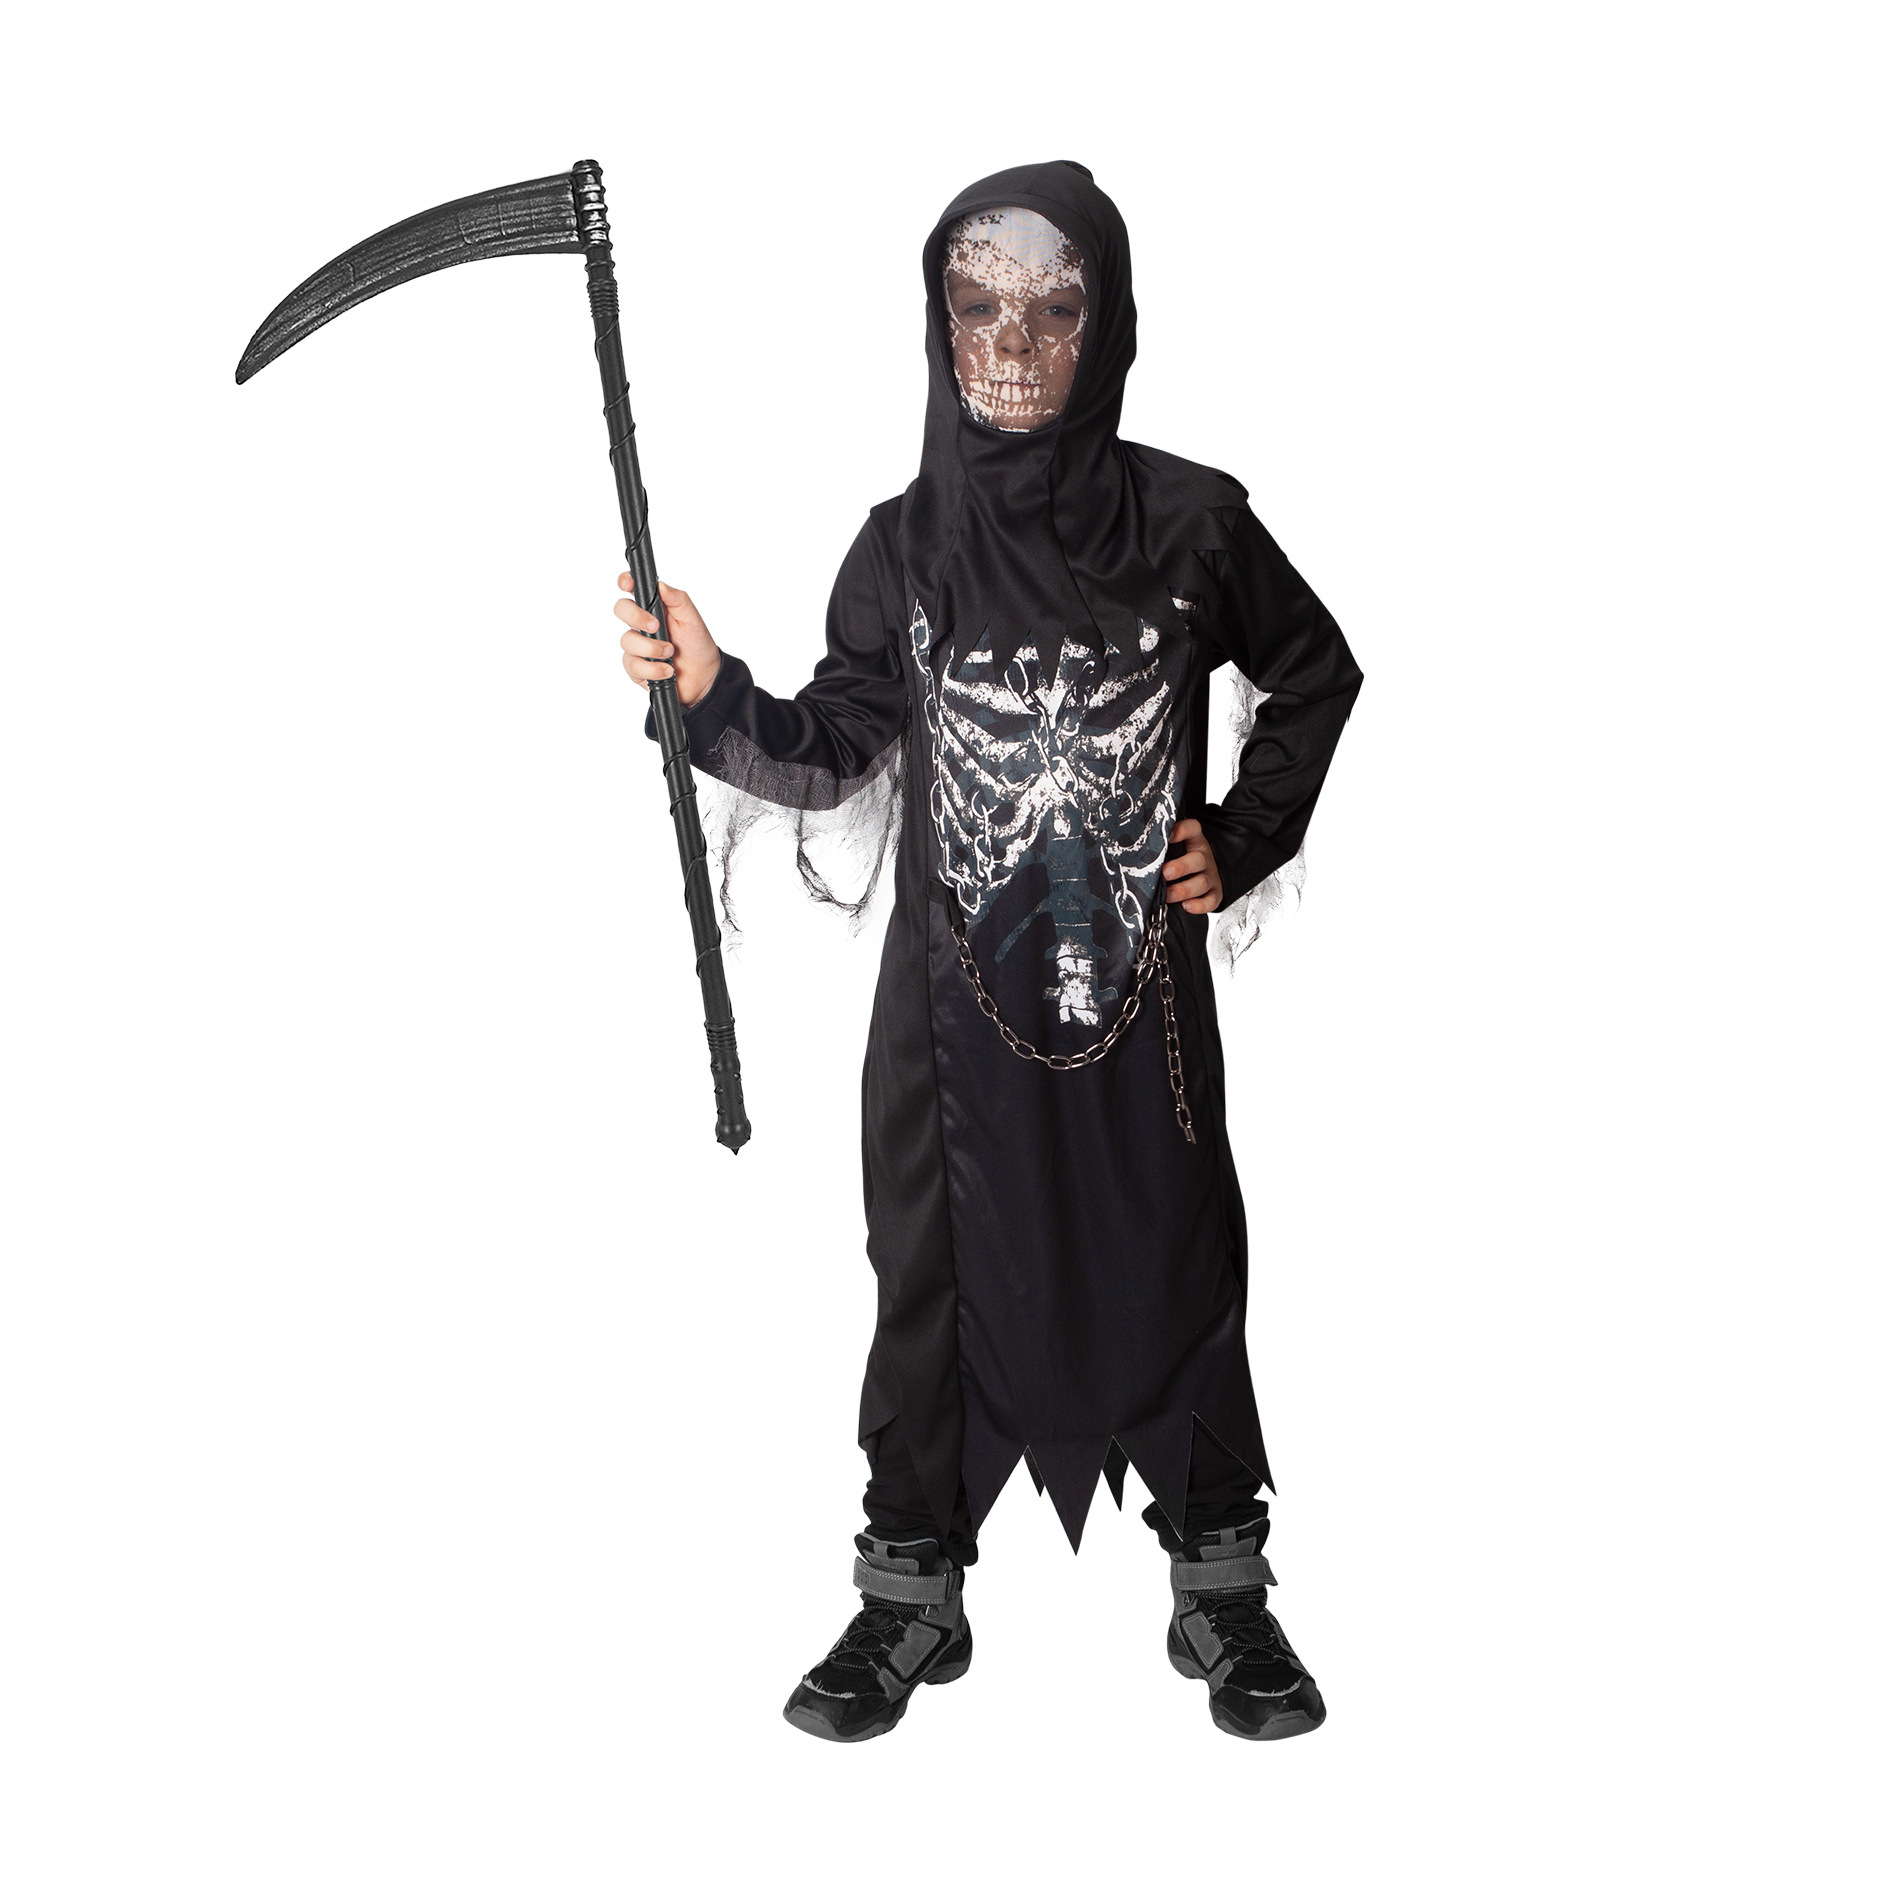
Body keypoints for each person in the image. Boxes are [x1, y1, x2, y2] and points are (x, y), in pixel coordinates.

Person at [614, 163, 1362, 1743]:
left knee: (1177, 1261)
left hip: (1145, 1023)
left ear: (1111, 323)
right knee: (927, 1283)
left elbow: (1317, 671)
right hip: (947, 1027)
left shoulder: (1195, 524)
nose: (1010, 342)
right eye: (976, 304)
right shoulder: (904, 551)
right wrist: (709, 688)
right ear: (936, 323)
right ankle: (909, 1591)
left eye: (1052, 307)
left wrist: (1242, 836)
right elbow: (834, 747)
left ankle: (1221, 1584)